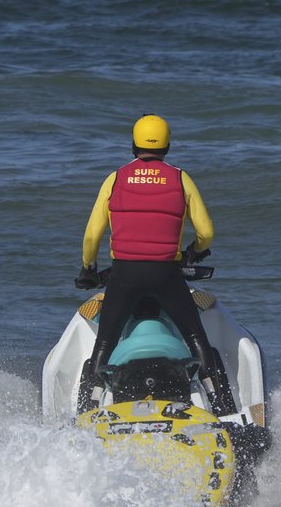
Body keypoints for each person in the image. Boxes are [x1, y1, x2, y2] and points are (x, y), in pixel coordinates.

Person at [75, 114, 235, 415]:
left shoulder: (116, 178)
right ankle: (225, 410)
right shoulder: (179, 177)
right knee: (195, 337)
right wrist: (193, 252)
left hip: (124, 275)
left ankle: (85, 412)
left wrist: (87, 269)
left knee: (105, 342)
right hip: (166, 274)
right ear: (167, 146)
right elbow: (206, 232)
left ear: (133, 144)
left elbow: (92, 234)